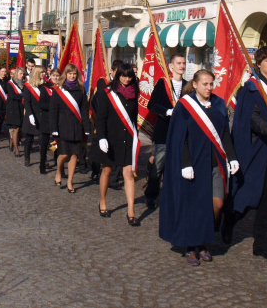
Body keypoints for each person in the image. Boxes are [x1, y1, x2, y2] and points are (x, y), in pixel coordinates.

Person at [160, 70, 239, 265]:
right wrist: (185, 163)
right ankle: (193, 246)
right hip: (194, 164)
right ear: (195, 84)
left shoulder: (219, 103)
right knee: (194, 207)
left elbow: (224, 134)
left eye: (211, 84)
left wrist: (232, 157)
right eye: (205, 84)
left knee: (217, 204)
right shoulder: (185, 106)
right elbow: (180, 138)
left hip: (216, 163)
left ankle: (204, 237)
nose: (209, 88)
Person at [223, 46, 267, 260]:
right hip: (255, 148)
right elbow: (249, 118)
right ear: (259, 63)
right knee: (247, 193)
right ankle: (229, 221)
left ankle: (262, 245)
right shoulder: (251, 88)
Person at [96, 63, 141, 225]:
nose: (127, 79)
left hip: (128, 137)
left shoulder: (135, 92)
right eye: (123, 75)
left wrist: (136, 136)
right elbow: (101, 117)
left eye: (129, 76)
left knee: (128, 174)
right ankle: (102, 201)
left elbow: (134, 118)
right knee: (107, 171)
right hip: (110, 137)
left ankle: (131, 211)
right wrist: (101, 137)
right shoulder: (108, 92)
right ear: (118, 75)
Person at [145, 53, 187, 210]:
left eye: (183, 63)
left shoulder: (188, 85)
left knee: (175, 168)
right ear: (171, 66)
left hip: (180, 133)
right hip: (163, 132)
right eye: (178, 63)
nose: (182, 66)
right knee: (158, 167)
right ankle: (151, 195)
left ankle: (171, 197)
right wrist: (167, 111)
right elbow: (152, 105)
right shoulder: (163, 84)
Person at [50, 64, 91, 193]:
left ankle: (70, 181)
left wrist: (86, 126)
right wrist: (54, 128)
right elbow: (53, 110)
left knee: (74, 155)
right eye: (70, 73)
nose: (72, 76)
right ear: (65, 74)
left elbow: (84, 109)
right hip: (62, 125)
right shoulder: (58, 89)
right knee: (64, 154)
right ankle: (58, 172)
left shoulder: (81, 89)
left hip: (76, 126)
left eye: (74, 74)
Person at [37, 68, 60, 174]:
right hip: (46, 119)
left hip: (57, 120)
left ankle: (58, 163)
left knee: (56, 143)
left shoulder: (61, 88)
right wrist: (53, 107)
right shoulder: (44, 87)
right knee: (44, 143)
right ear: (50, 76)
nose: (55, 78)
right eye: (54, 75)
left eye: (57, 76)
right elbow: (41, 104)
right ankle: (42, 165)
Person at [22, 67, 45, 167]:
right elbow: (27, 102)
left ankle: (42, 160)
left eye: (44, 72)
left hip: (42, 115)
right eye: (42, 72)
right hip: (31, 114)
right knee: (28, 139)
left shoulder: (44, 85)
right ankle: (27, 158)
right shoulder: (28, 86)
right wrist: (30, 115)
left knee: (42, 140)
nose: (44, 74)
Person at [5, 67, 26, 156]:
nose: (22, 75)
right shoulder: (10, 84)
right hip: (13, 108)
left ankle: (12, 141)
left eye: (23, 74)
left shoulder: (24, 84)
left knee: (21, 129)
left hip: (22, 108)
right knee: (16, 129)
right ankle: (16, 149)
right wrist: (21, 95)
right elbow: (12, 95)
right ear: (17, 74)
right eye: (21, 73)